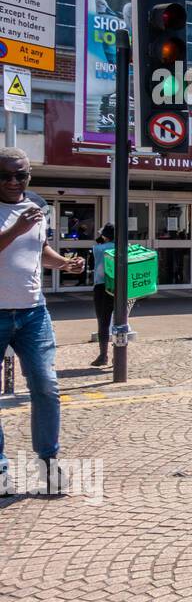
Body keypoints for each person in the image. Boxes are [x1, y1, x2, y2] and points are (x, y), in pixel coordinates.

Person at [0, 147, 86, 495]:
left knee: (47, 388)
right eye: (4, 176)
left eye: (20, 175)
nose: (12, 182)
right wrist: (17, 228)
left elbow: (39, 250)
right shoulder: (19, 215)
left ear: (29, 175)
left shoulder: (36, 205)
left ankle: (48, 463)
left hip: (34, 312)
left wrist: (64, 263)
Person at [90, 224, 116, 366]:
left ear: (105, 235)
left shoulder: (98, 248)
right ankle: (118, 354)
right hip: (122, 287)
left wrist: (100, 241)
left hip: (102, 287)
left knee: (103, 322)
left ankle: (103, 355)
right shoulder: (126, 247)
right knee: (120, 321)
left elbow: (95, 249)